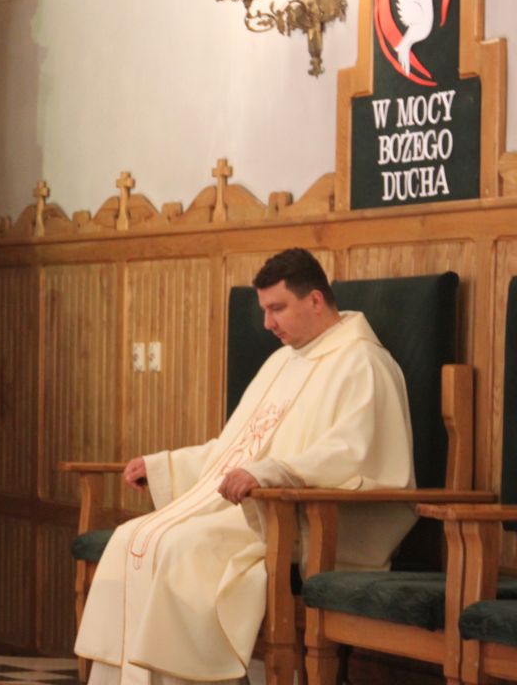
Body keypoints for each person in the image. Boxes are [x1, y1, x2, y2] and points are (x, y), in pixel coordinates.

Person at [75, 248, 416, 685]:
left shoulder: (364, 363)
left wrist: (269, 473)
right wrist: (164, 465)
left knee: (179, 547)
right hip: (256, 510)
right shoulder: (283, 361)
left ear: (315, 300)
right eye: (264, 310)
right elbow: (235, 449)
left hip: (303, 523)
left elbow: (351, 455)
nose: (267, 323)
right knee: (133, 537)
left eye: (277, 308)